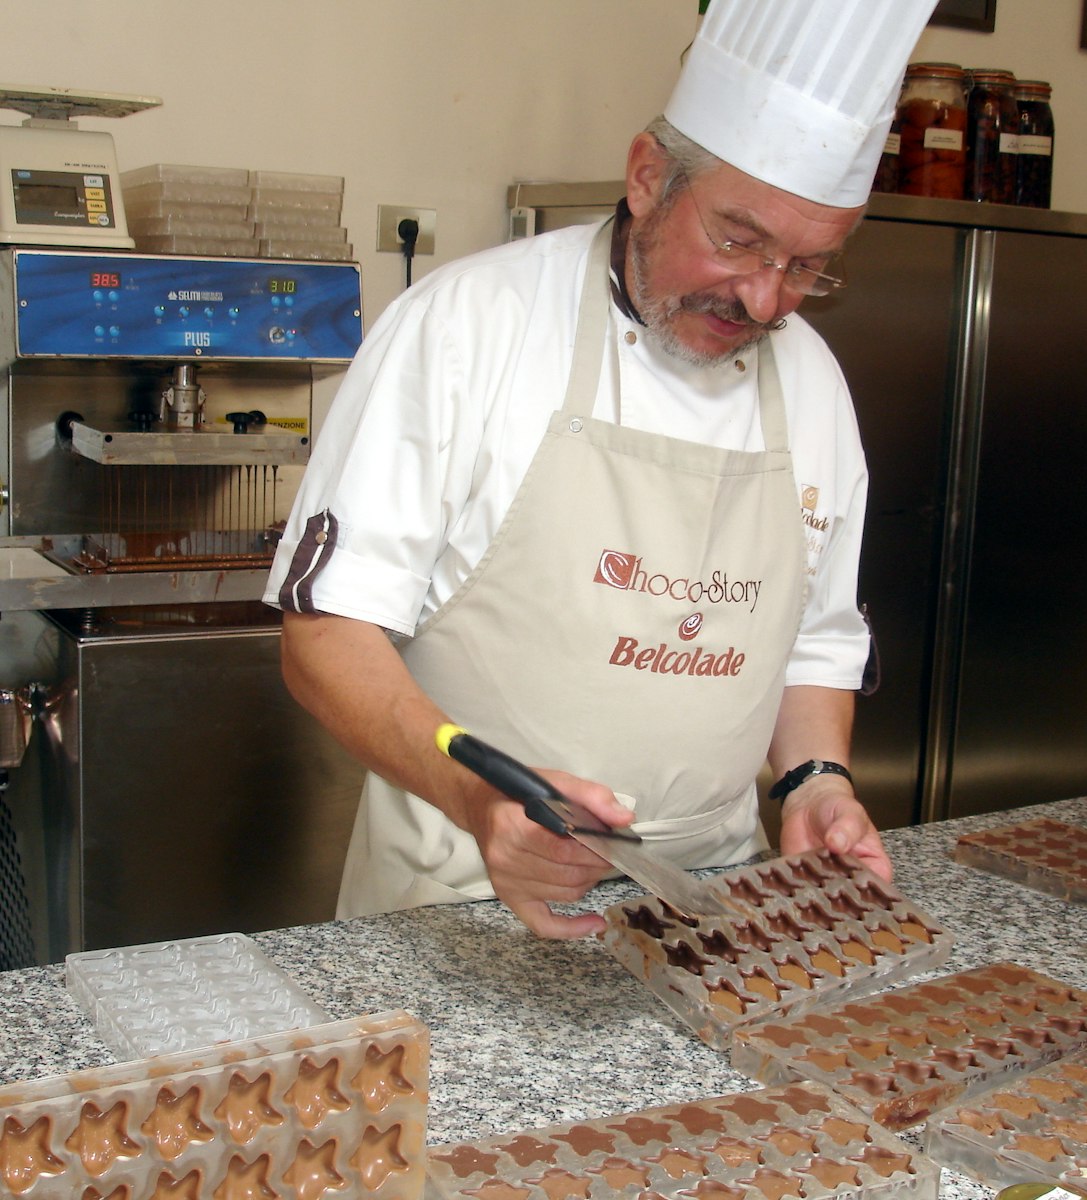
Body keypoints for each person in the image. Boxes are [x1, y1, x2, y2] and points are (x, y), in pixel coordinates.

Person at [265, 0, 938, 939]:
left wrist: (814, 780)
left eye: (807, 266)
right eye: (739, 240)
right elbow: (325, 635)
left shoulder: (814, 383)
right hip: (459, 897)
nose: (762, 297)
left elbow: (816, 639)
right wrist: (476, 800)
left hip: (711, 908)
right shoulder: (468, 327)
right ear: (648, 176)